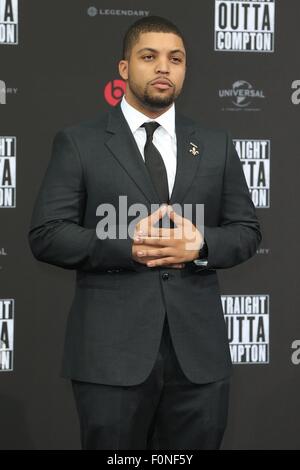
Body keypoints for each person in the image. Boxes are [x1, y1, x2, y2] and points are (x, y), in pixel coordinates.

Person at [28, 16, 262, 450]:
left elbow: (247, 231)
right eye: (149, 56)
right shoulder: (80, 142)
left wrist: (202, 244)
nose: (163, 68)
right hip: (110, 357)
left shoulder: (215, 143)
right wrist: (128, 247)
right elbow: (47, 233)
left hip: (200, 358)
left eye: (175, 59)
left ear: (185, 69)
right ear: (123, 69)